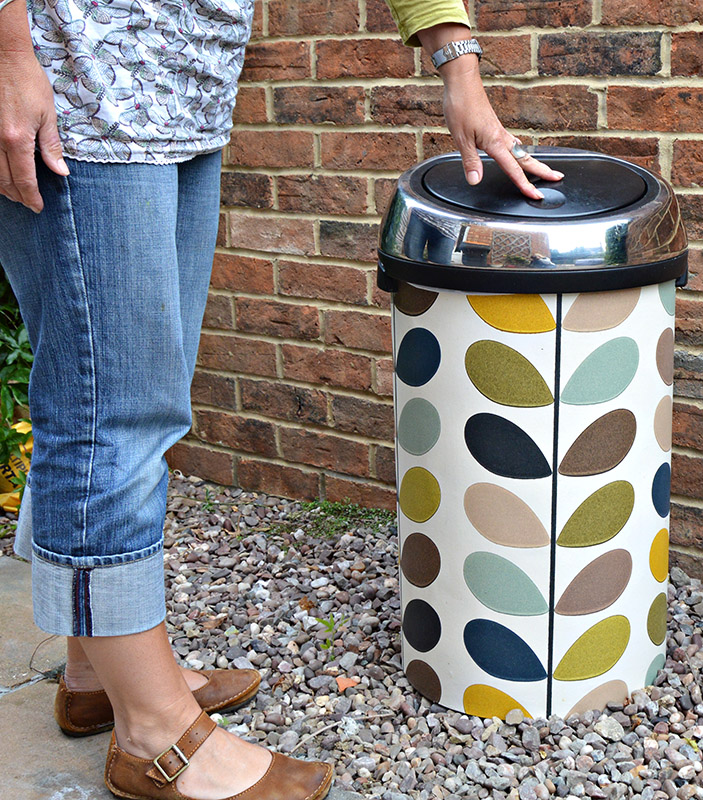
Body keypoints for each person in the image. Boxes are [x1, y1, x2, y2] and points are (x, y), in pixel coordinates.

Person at [0, 0, 563, 797]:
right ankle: (152, 732)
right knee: (107, 414)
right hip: (76, 93)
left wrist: (456, 60)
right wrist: (6, 55)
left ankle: (97, 670)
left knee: (133, 398)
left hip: (183, 92)